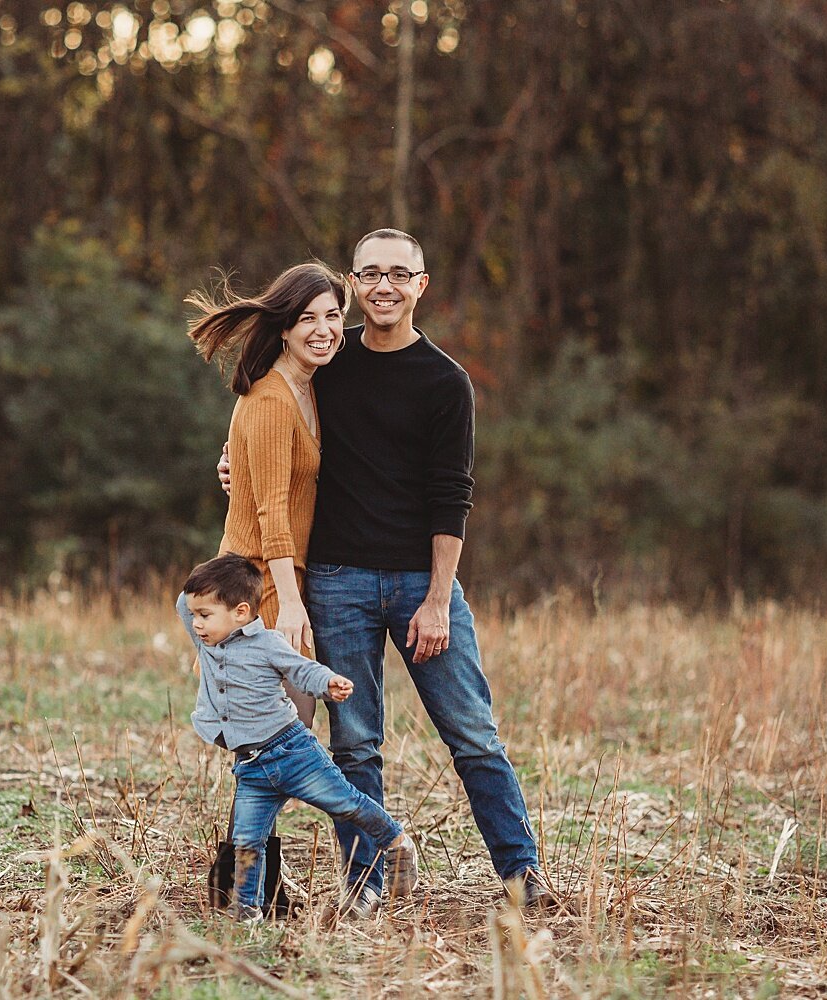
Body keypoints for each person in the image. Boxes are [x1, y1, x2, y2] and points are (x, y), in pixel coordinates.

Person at [219, 229, 554, 916]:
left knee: (475, 737)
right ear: (353, 283)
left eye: (399, 275)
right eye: (370, 274)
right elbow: (270, 421)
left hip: (418, 584)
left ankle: (524, 878)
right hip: (338, 582)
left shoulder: (444, 382)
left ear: (420, 286)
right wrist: (232, 465)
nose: (384, 286)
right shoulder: (327, 364)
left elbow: (450, 498)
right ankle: (366, 887)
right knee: (355, 743)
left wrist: (436, 599)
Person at [176, 554, 419, 924]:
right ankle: (246, 914)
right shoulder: (207, 644)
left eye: (204, 615)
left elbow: (301, 670)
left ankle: (395, 840)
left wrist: (327, 684)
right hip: (251, 765)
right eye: (195, 616)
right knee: (246, 843)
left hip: (292, 751)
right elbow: (184, 599)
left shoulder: (267, 643)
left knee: (346, 803)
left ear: (241, 612)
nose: (195, 624)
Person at [186, 261, 345, 724]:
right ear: (283, 328)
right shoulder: (273, 399)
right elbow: (271, 510)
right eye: (308, 318)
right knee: (280, 726)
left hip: (282, 574)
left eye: (332, 315)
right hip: (258, 578)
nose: (323, 329)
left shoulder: (308, 386)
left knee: (286, 725)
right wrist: (291, 605)